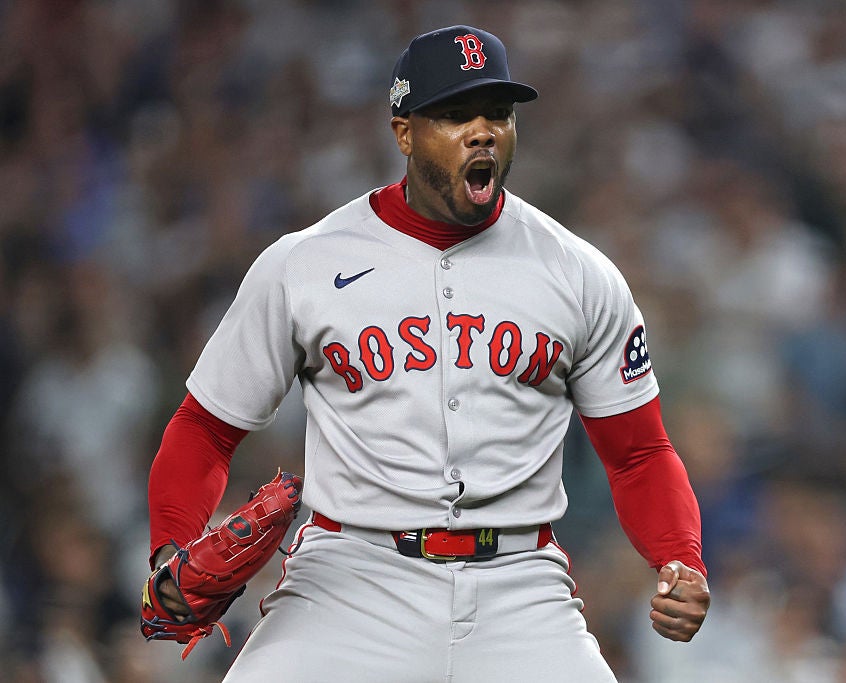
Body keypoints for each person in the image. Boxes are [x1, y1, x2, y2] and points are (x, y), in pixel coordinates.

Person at [145, 25, 709, 681]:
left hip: (519, 584)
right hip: (351, 579)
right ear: (404, 131)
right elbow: (207, 427)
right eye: (453, 113)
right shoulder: (305, 264)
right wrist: (169, 548)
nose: (482, 130)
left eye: (498, 112)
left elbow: (640, 452)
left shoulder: (579, 274)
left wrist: (680, 558)